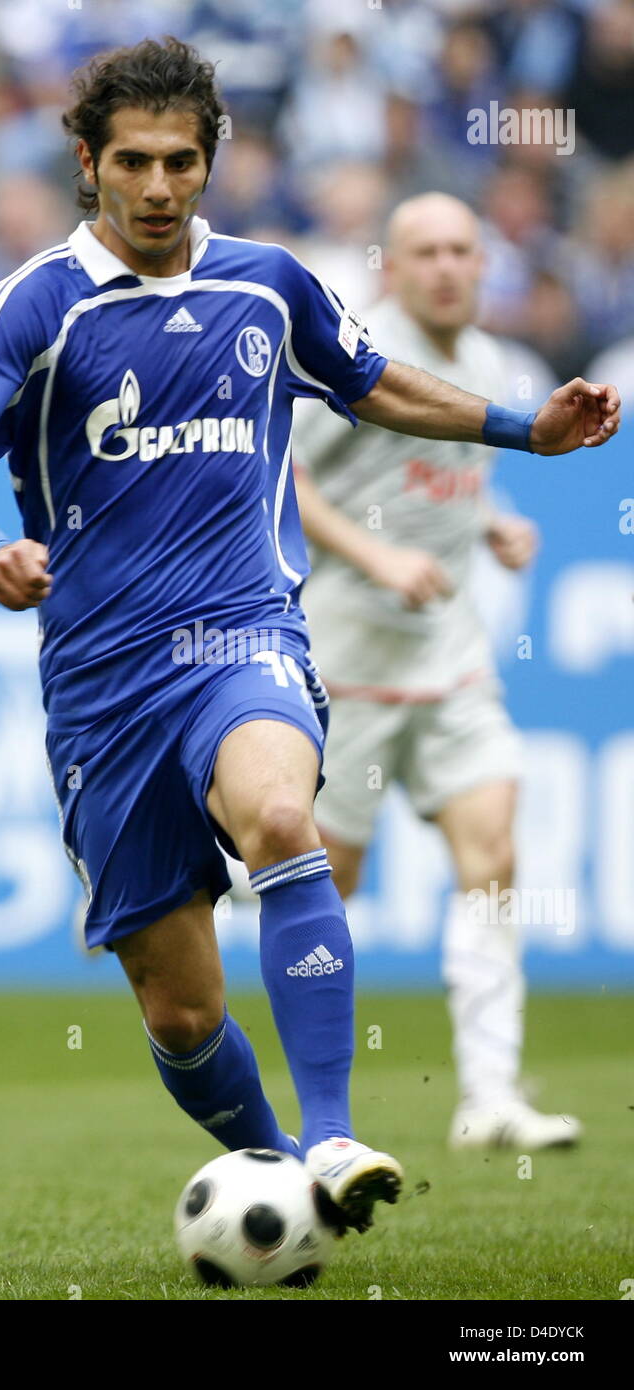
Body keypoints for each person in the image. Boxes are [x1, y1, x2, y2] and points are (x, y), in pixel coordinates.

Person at [0, 39, 619, 1233]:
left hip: (243, 632)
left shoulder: (269, 281)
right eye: (135, 162)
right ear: (88, 161)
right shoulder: (36, 302)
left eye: (183, 160)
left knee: (284, 817)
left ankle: (333, 1128)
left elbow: (371, 376)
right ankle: (288, 1171)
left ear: (210, 161)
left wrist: (520, 429)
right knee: (179, 1014)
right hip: (102, 684)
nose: (161, 186)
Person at [294, 192, 585, 1149]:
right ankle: (313, 1111)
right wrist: (375, 558)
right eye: (428, 251)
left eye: (464, 249)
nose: (449, 267)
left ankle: (490, 1098)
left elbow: (454, 477)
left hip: (451, 657)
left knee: (494, 851)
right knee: (330, 883)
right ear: (395, 265)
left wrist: (490, 523)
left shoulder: (495, 363)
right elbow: (288, 485)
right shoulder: (362, 358)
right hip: (349, 660)